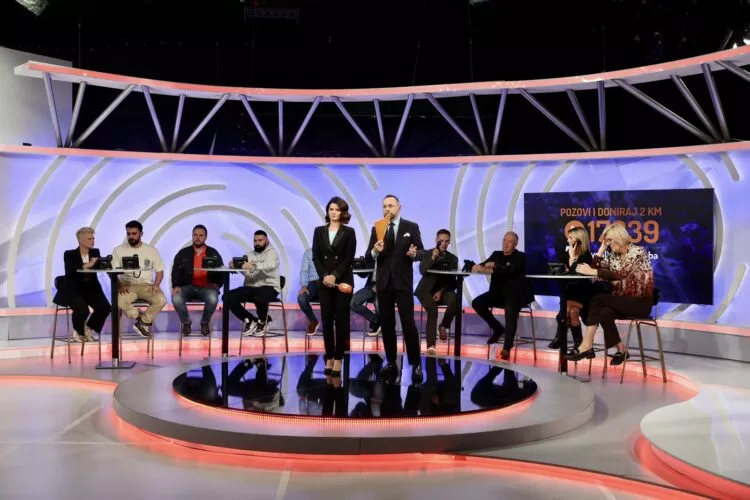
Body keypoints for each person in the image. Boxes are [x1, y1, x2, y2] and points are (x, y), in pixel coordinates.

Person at [568, 222, 655, 365]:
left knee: (598, 299)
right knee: (604, 311)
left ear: (619, 237)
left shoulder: (637, 253)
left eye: (609, 240)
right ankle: (622, 349)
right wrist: (600, 251)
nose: (608, 244)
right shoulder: (612, 256)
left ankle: (587, 344)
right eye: (606, 241)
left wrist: (595, 272)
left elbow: (621, 274)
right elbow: (593, 274)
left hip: (640, 303)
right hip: (623, 301)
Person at [366, 194, 424, 384]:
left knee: (408, 325)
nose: (387, 209)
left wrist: (415, 254)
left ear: (399, 207)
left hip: (403, 284)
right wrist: (375, 251)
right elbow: (368, 256)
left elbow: (421, 252)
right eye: (384, 206)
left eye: (390, 206)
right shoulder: (378, 227)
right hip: (383, 284)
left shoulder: (410, 227)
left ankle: (415, 364)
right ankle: (391, 362)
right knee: (387, 325)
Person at [471, 231, 534, 360]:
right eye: (504, 240)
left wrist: (493, 267)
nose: (506, 244)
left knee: (510, 308)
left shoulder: (520, 257)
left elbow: (509, 271)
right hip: (497, 293)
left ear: (515, 245)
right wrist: (478, 266)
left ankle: (507, 347)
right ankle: (498, 328)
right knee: (477, 302)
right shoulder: (496, 254)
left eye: (509, 242)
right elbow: (483, 265)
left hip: (515, 294)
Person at [312, 196, 356, 376]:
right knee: (327, 320)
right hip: (325, 282)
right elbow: (316, 257)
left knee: (342, 320)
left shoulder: (349, 232)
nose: (334, 212)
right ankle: (329, 356)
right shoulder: (319, 231)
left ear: (343, 212)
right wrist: (325, 276)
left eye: (337, 209)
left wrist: (334, 275)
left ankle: (338, 358)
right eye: (331, 209)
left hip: (342, 280)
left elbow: (348, 258)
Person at [54, 227, 111, 343]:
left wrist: (104, 262)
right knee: (83, 309)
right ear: (80, 241)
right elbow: (71, 271)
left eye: (93, 238)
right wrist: (87, 264)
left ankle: (88, 328)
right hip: (73, 289)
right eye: (89, 239)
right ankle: (78, 331)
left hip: (91, 288)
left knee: (105, 307)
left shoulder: (95, 252)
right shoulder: (69, 254)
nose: (92, 241)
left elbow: (98, 267)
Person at [112, 220, 167, 337]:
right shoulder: (118, 250)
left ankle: (143, 322)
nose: (131, 236)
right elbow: (113, 273)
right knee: (118, 302)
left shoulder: (151, 250)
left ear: (141, 234)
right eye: (128, 234)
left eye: (134, 233)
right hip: (127, 286)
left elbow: (160, 271)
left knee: (161, 300)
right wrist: (120, 285)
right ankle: (140, 318)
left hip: (147, 286)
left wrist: (156, 285)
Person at [170, 224, 224, 337]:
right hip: (187, 287)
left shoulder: (213, 253)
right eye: (195, 235)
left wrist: (217, 284)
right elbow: (175, 271)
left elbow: (221, 270)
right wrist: (175, 286)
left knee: (213, 297)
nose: (197, 238)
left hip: (207, 287)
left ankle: (204, 322)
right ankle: (186, 322)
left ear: (205, 237)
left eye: (201, 235)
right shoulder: (183, 253)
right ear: (192, 236)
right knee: (176, 297)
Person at [226, 230, 281, 337]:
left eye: (260, 240)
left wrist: (254, 265)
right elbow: (246, 270)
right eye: (255, 241)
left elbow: (270, 265)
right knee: (227, 297)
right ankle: (251, 320)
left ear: (267, 240)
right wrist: (234, 265)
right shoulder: (250, 254)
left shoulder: (272, 253)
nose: (257, 243)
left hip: (269, 287)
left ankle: (262, 321)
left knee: (259, 297)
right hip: (251, 287)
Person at [548, 226, 594, 351]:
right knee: (572, 311)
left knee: (565, 308)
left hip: (583, 295)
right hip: (569, 293)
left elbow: (575, 271)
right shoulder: (566, 254)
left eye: (570, 238)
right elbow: (563, 270)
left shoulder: (586, 256)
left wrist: (573, 257)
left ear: (578, 240)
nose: (567, 240)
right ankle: (578, 342)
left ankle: (560, 336)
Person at [414, 229, 459, 354]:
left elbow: (452, 281)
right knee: (433, 310)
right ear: (436, 240)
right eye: (441, 241)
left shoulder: (453, 258)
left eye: (446, 241)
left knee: (454, 299)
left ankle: (443, 326)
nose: (444, 244)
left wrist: (440, 291)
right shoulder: (428, 253)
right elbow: (422, 270)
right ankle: (431, 346)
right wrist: (433, 258)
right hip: (426, 291)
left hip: (442, 291)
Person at [297, 248, 320, 336]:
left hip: (328, 284)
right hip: (314, 284)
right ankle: (313, 321)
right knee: (302, 298)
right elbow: (304, 271)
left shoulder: (332, 251)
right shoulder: (309, 252)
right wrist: (303, 285)